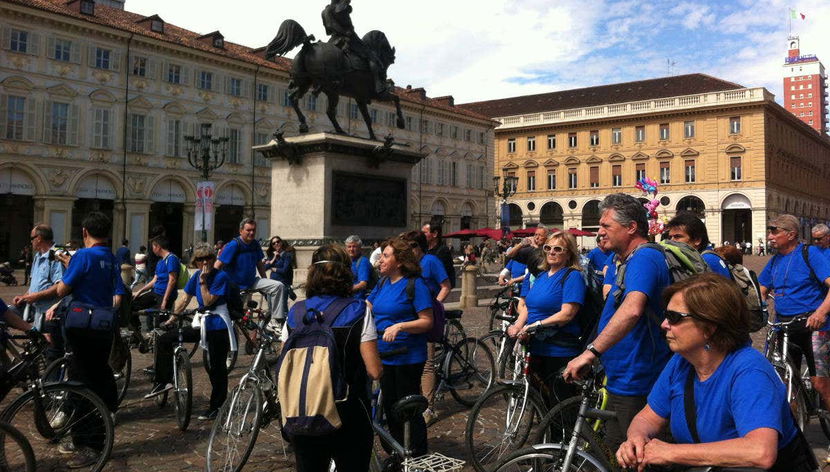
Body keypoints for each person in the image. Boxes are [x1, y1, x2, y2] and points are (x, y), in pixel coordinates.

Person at [617, 273, 814, 472]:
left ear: (709, 327)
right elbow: (648, 418)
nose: (664, 324)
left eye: (674, 317)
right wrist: (637, 438)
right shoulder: (681, 362)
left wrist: (670, 452)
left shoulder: (749, 371)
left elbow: (761, 451)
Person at [563, 193, 672, 450]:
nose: (599, 232)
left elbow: (633, 309)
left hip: (637, 379)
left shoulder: (645, 258)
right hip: (620, 375)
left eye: (606, 226)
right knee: (613, 452)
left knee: (635, 455)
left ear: (631, 227)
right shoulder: (624, 260)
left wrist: (591, 353)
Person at [283, 244, 382, 471]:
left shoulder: (296, 312)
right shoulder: (359, 309)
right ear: (345, 273)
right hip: (347, 410)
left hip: (304, 409)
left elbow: (286, 359)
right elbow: (374, 371)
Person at [44, 211, 125, 468]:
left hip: (82, 326)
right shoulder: (111, 258)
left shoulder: (83, 256)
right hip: (103, 325)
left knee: (80, 383)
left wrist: (66, 267)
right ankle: (98, 435)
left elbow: (63, 289)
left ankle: (87, 443)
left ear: (84, 232)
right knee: (98, 377)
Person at [759, 214, 830, 446]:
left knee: (820, 382)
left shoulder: (811, 255)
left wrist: (820, 313)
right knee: (783, 379)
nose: (770, 236)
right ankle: (792, 431)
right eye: (770, 232)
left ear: (790, 234)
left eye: (774, 231)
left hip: (814, 326)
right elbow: (761, 288)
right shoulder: (775, 260)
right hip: (784, 326)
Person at [145, 243, 236, 420]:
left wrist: (203, 282)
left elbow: (209, 301)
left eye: (208, 258)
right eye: (200, 259)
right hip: (201, 323)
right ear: (195, 261)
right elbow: (184, 299)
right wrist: (172, 318)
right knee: (166, 338)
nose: (205, 262)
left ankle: (217, 407)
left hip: (218, 326)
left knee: (216, 369)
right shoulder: (195, 277)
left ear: (213, 258)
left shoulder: (220, 276)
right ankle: (163, 380)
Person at [367, 238, 433, 457]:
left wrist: (400, 326)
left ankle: (417, 454)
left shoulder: (415, 284)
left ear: (400, 261)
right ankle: (397, 452)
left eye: (386, 256)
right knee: (390, 408)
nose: (381, 260)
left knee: (407, 409)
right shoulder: (383, 283)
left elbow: (426, 321)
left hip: (408, 356)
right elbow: (368, 305)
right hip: (384, 355)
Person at [507, 230, 586, 403]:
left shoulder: (572, 276)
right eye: (548, 247)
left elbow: (567, 313)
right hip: (537, 346)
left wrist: (538, 324)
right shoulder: (542, 275)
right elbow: (530, 306)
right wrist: (518, 324)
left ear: (568, 254)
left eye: (558, 249)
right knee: (541, 401)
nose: (551, 252)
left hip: (559, 349)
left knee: (559, 404)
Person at [216, 218, 286, 324]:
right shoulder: (234, 245)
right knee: (234, 320)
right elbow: (217, 265)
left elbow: (259, 264)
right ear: (241, 231)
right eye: (248, 230)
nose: (252, 233)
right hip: (236, 287)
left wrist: (265, 281)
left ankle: (275, 321)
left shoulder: (255, 244)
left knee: (278, 286)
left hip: (252, 282)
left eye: (253, 230)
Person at [13, 224, 65, 365]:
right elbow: (36, 285)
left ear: (39, 238)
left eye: (32, 238)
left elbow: (59, 287)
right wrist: (24, 296)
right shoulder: (38, 257)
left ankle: (52, 382)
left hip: (49, 312)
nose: (31, 241)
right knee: (37, 348)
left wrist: (35, 296)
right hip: (36, 311)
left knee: (51, 352)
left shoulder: (56, 255)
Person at [133, 236, 180, 332]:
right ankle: (136, 335)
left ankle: (163, 344)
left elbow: (172, 280)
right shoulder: (160, 261)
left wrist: (165, 300)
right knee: (132, 306)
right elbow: (154, 280)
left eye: (153, 247)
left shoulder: (171, 259)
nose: (152, 250)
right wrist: (140, 291)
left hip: (165, 295)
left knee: (161, 325)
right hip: (155, 293)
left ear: (158, 247)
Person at [665, 211, 731, 278]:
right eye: (670, 237)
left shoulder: (707, 260)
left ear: (697, 240)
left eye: (677, 236)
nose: (671, 241)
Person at [422, 222, 456, 289]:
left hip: (436, 290)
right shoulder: (424, 249)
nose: (422, 235)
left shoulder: (443, 251)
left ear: (434, 234)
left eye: (424, 233)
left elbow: (445, 273)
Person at [264, 236, 295, 307]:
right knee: (271, 307)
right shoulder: (272, 256)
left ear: (281, 242)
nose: (276, 244)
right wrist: (274, 258)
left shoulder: (287, 255)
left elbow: (284, 270)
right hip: (272, 285)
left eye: (278, 241)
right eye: (274, 243)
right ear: (272, 246)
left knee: (282, 307)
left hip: (283, 284)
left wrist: (274, 269)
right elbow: (265, 268)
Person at [345, 235, 373, 300]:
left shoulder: (363, 261)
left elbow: (363, 284)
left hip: (358, 300)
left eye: (354, 247)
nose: (351, 249)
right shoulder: (346, 261)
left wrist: (346, 290)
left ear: (360, 248)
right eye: (349, 247)